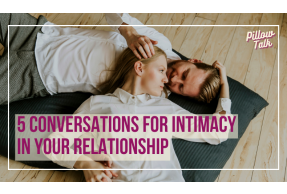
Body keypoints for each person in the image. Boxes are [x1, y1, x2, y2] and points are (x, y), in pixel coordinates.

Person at [42, 46, 232, 182]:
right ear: (140, 68)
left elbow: (219, 132)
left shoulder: (165, 109)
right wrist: (86, 164)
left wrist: (225, 85)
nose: (167, 79)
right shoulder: (96, 104)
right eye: (161, 71)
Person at [0, 13, 224, 106]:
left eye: (181, 88)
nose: (174, 80)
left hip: (33, 75)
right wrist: (129, 33)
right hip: (38, 32)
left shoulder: (152, 95)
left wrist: (224, 87)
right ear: (193, 61)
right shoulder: (161, 43)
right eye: (184, 75)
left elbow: (218, 130)